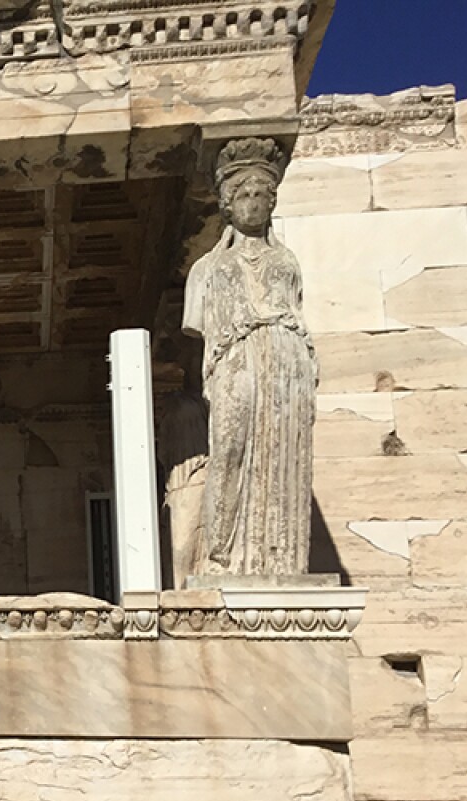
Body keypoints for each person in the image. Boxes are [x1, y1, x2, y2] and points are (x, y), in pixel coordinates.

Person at [183, 138, 316, 577]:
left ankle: (279, 557)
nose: (254, 203)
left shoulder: (287, 261)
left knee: (282, 456)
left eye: (262, 194)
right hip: (235, 361)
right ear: (228, 203)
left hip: (286, 362)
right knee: (229, 451)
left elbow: (295, 311)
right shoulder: (206, 269)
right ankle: (220, 554)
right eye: (244, 194)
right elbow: (198, 326)